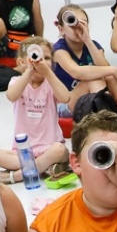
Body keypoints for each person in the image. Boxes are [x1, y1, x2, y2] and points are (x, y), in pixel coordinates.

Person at [8, 36, 72, 173]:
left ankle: (18, 174)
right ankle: (44, 167)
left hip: (51, 146)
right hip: (24, 149)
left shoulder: (51, 83)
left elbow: (65, 98)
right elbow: (11, 96)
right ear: (21, 62)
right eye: (36, 56)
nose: (41, 61)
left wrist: (48, 72)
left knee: (60, 151)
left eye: (47, 58)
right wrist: (29, 70)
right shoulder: (16, 81)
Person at [53, 4, 117, 119]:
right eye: (72, 23)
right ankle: (109, 122)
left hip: (93, 98)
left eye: (82, 23)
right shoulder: (59, 49)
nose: (78, 27)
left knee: (111, 79)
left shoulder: (93, 45)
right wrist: (114, 70)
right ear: (61, 29)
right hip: (66, 104)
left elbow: (104, 68)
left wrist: (87, 40)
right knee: (93, 80)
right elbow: (76, 72)